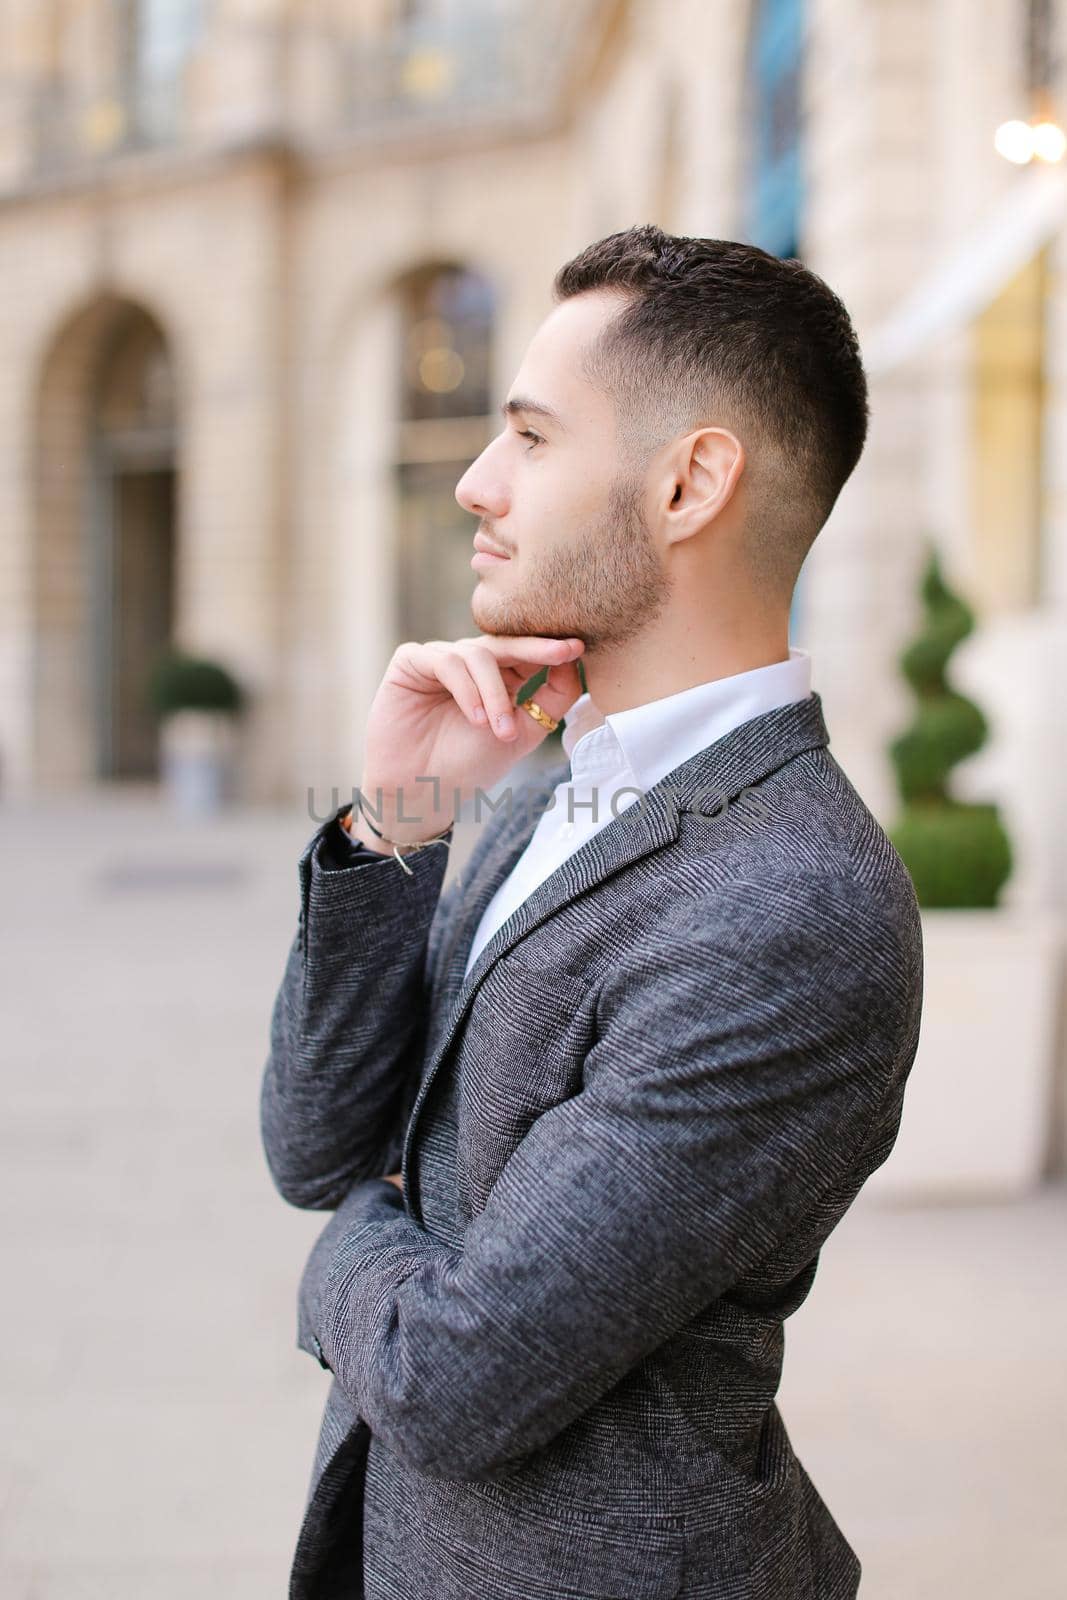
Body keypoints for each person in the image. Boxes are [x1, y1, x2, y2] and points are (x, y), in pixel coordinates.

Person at [261, 224, 924, 1600]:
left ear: (689, 483)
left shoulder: (792, 902)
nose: (474, 483)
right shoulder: (554, 774)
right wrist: (400, 818)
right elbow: (313, 1135)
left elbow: (453, 1374)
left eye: (532, 438)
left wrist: (358, 1235)